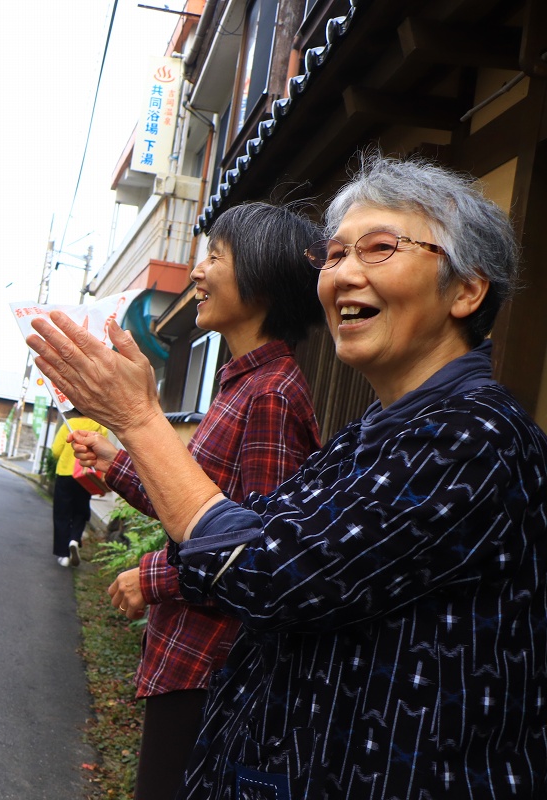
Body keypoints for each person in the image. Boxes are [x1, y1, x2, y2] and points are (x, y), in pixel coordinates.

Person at [28, 153, 547, 798]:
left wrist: (138, 420)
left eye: (379, 248)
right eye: (333, 256)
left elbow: (265, 567)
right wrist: (136, 457)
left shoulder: (473, 435)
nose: (342, 275)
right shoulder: (373, 430)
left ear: (467, 290)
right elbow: (249, 522)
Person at [69, 202, 323, 800]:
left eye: (216, 256)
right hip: (188, 655)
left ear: (260, 280)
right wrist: (118, 466)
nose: (198, 273)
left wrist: (153, 577)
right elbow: (200, 510)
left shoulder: (272, 396)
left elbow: (259, 554)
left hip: (212, 664)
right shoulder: (243, 382)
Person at [50, 416, 108, 567]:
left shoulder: (68, 424)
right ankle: (75, 539)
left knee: (62, 514)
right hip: (86, 474)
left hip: (65, 474)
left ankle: (64, 555)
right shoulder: (99, 426)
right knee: (80, 511)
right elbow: (104, 453)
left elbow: (56, 451)